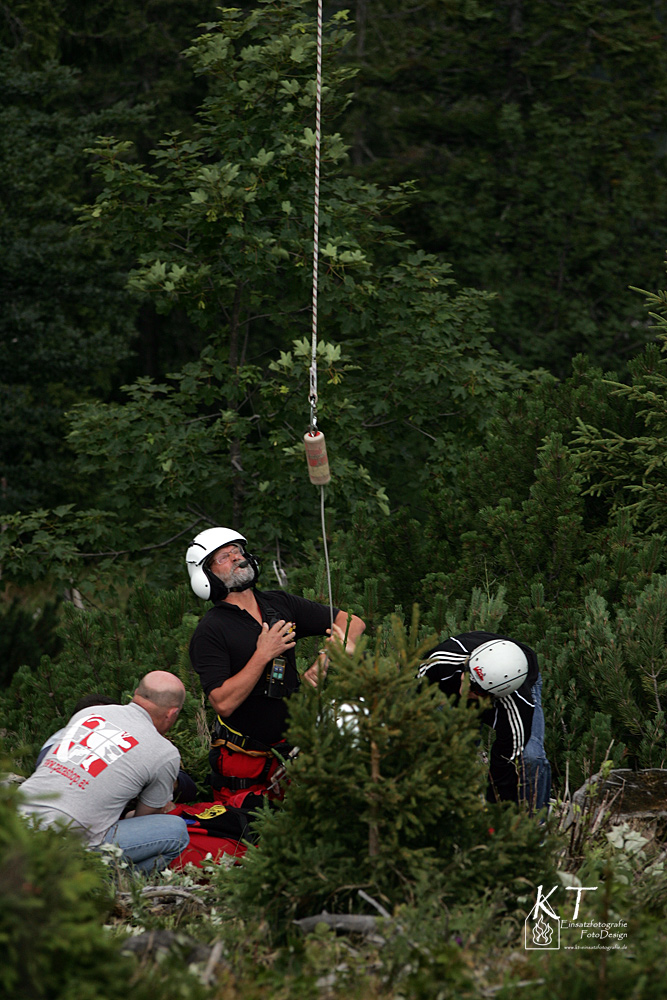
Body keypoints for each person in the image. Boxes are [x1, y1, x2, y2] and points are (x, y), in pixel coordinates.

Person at [186, 526, 366, 806]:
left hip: (294, 747)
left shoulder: (278, 603)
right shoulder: (211, 630)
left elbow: (351, 622)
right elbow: (222, 703)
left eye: (238, 551)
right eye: (224, 556)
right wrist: (262, 654)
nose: (236, 557)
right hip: (246, 759)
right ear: (206, 575)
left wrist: (323, 661)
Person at [18, 671, 190, 873]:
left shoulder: (87, 713)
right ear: (172, 713)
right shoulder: (165, 752)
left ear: (136, 693)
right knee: (176, 831)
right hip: (66, 842)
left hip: (17, 818)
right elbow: (144, 819)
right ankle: (106, 884)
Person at [418, 631, 551, 808]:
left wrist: (496, 816)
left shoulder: (515, 705)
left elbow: (505, 766)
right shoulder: (441, 661)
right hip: (449, 684)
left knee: (530, 757)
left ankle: (534, 826)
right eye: (467, 679)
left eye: (475, 690)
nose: (466, 690)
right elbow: (414, 698)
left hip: (513, 687)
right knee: (446, 743)